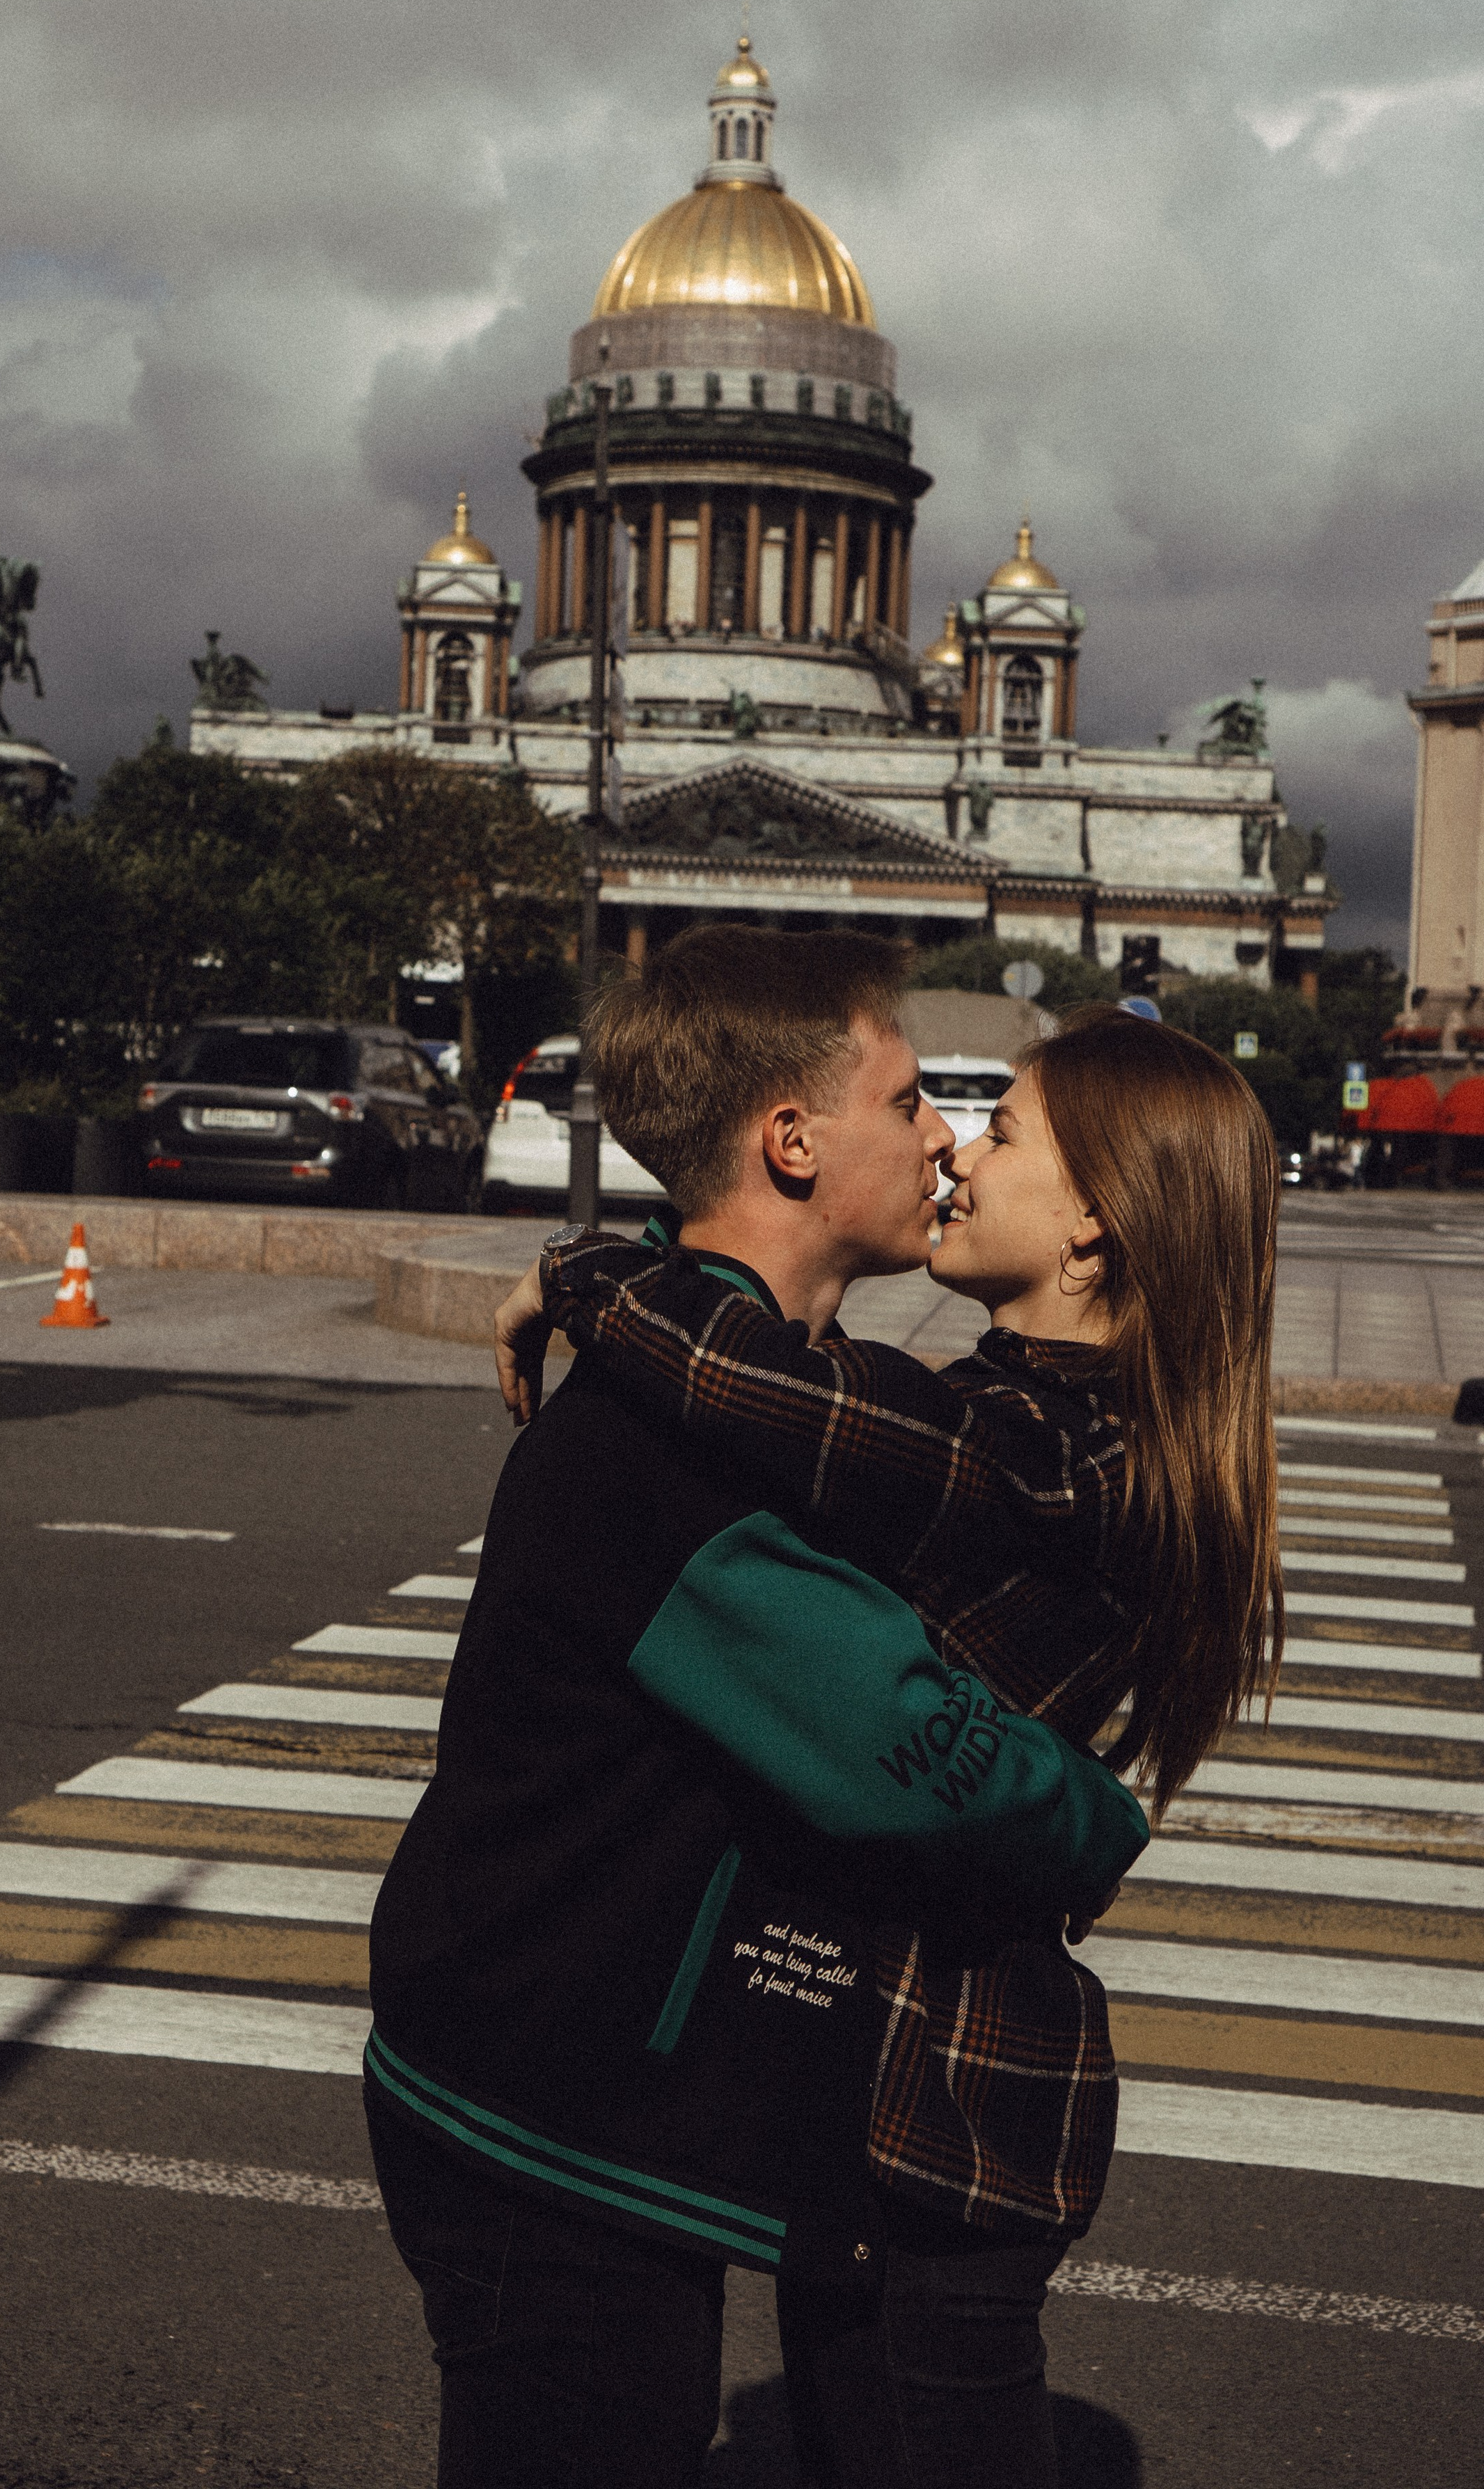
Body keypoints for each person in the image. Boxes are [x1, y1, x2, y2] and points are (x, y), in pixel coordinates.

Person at [366, 929, 1151, 2489]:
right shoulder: (676, 1461)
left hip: (594, 2098)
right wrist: (1093, 1822)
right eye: (913, 1096)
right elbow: (900, 1746)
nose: (939, 1134)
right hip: (542, 2112)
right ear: (790, 1141)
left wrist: (591, 1274)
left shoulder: (781, 1394)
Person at [498, 965, 1284, 2489]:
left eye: (1004, 1130)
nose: (956, 1149)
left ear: (1089, 1225)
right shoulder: (1050, 1417)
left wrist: (586, 1276)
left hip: (941, 2113)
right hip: (886, 2096)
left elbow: (771, 1385)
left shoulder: (1052, 1445)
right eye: (944, 1110)